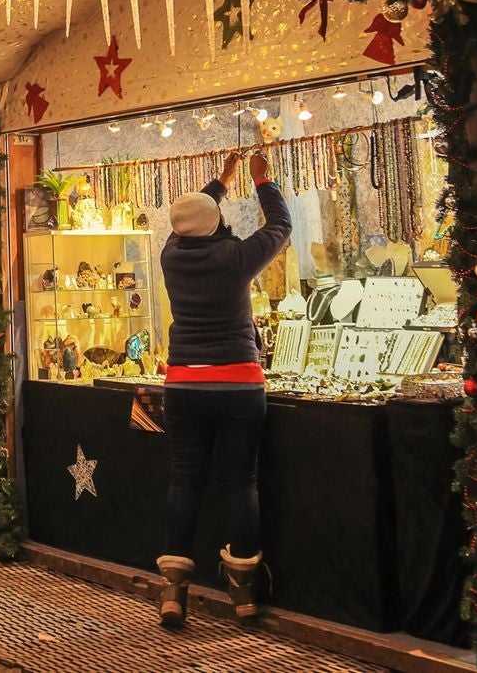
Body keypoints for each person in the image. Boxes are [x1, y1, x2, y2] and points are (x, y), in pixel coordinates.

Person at [153, 151, 289, 628]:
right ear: (216, 225)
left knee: (185, 480)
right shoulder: (235, 256)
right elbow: (280, 226)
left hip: (184, 384)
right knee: (239, 483)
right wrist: (261, 180)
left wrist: (221, 181)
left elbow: (187, 220)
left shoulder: (170, 254)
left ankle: (172, 592)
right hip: (238, 385)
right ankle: (245, 594)